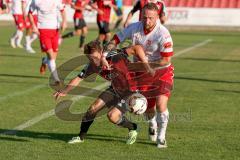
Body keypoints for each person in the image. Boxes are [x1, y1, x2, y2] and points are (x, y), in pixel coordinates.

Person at [54, 40, 153, 145]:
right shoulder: (92, 65)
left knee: (112, 116)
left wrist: (146, 65)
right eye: (90, 58)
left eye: (95, 57)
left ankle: (133, 127)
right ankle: (80, 137)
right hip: (115, 89)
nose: (93, 61)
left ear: (101, 52)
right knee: (92, 109)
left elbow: (137, 48)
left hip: (131, 89)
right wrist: (65, 91)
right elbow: (78, 78)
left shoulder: (114, 55)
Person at [103, 3, 174, 148]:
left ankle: (161, 137)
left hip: (162, 71)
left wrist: (146, 65)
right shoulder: (135, 27)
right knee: (148, 110)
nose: (147, 21)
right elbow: (116, 39)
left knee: (161, 104)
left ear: (157, 17)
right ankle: (152, 122)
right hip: (141, 73)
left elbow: (166, 60)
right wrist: (105, 53)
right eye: (144, 18)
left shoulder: (163, 34)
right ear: (141, 16)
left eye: (151, 18)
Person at [28, 0, 67, 85]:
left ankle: (44, 61)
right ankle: (56, 79)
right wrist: (34, 26)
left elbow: (63, 10)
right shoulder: (36, 1)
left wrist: (64, 22)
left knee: (53, 57)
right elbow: (30, 13)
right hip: (43, 30)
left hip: (55, 31)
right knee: (51, 56)